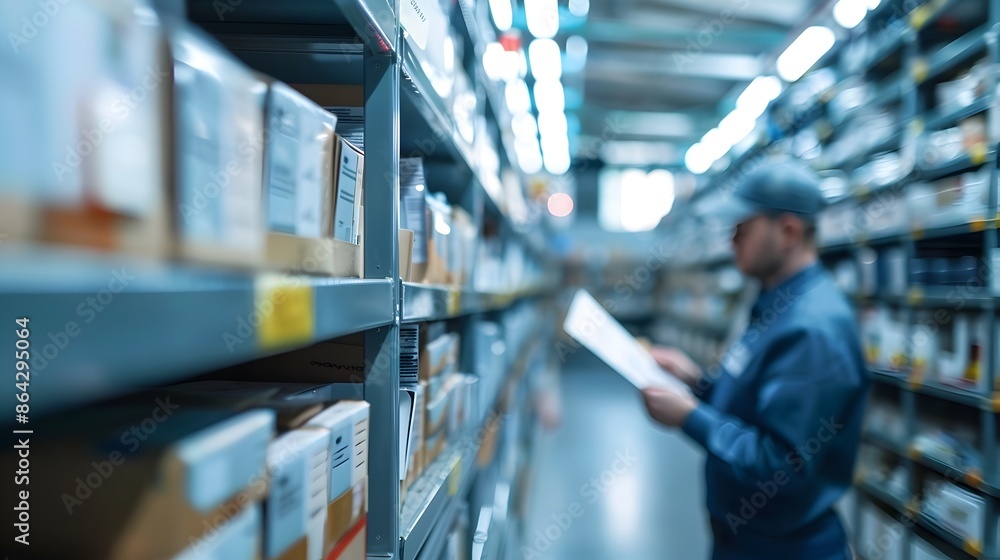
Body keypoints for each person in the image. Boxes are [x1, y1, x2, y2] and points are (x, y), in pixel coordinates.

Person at [641, 163, 869, 560]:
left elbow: (781, 465)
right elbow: (758, 408)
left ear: (788, 232)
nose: (731, 239)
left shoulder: (813, 328)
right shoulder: (774, 304)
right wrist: (697, 383)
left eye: (742, 227)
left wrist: (689, 416)